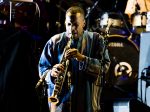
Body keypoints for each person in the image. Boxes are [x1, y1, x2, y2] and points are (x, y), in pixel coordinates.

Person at [38, 5, 110, 112]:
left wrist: (82, 58)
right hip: (60, 105)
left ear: (84, 24)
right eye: (69, 24)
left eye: (76, 25)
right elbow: (42, 68)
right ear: (65, 23)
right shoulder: (54, 41)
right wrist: (52, 73)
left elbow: (104, 67)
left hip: (87, 103)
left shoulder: (96, 39)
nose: (72, 29)